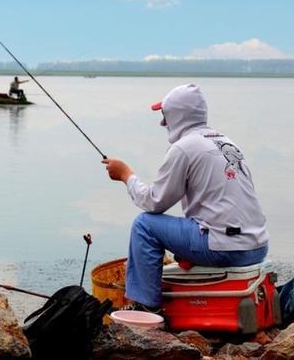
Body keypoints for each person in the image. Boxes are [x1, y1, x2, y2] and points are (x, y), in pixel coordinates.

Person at [102, 84, 269, 312]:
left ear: (177, 115)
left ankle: (145, 307)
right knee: (186, 228)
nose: (163, 123)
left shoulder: (184, 147)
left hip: (226, 248)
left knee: (144, 225)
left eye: (165, 115)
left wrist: (126, 175)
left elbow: (154, 202)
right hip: (257, 246)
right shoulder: (227, 142)